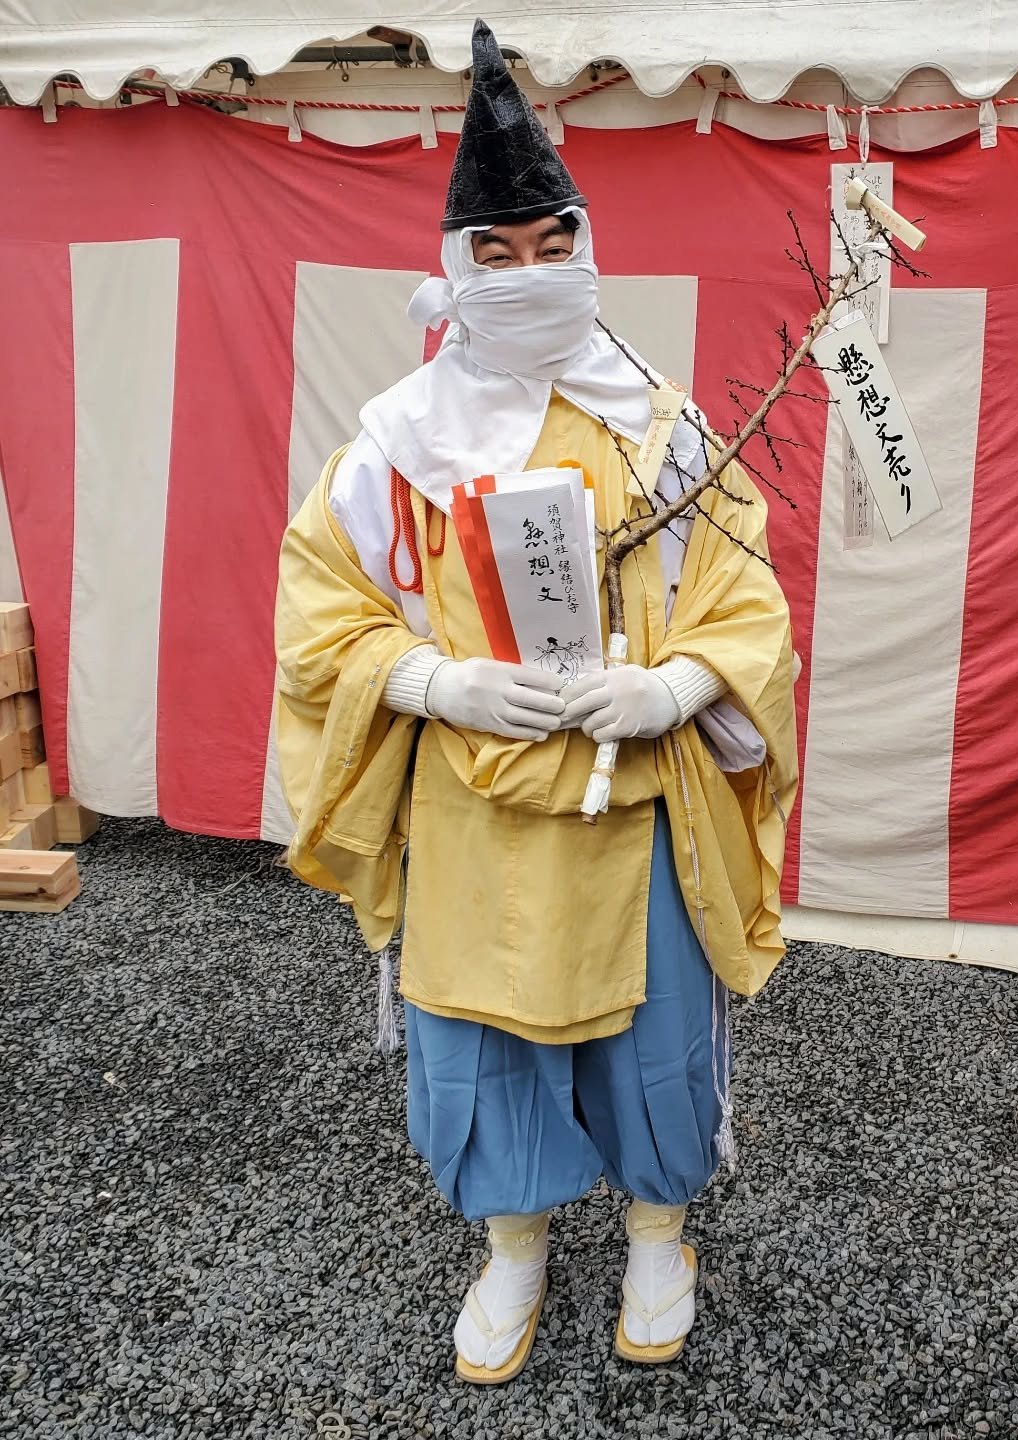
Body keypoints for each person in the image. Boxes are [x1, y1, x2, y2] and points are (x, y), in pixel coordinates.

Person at [274, 16, 798, 1383]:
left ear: (588, 247)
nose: (528, 274)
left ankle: (658, 1233)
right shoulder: (396, 446)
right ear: (455, 268)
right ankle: (512, 1246)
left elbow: (745, 600)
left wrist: (677, 684)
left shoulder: (666, 429)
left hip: (638, 805)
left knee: (654, 1038)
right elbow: (321, 612)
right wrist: (432, 677)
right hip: (474, 802)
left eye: (552, 244)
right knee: (481, 1040)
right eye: (495, 254)